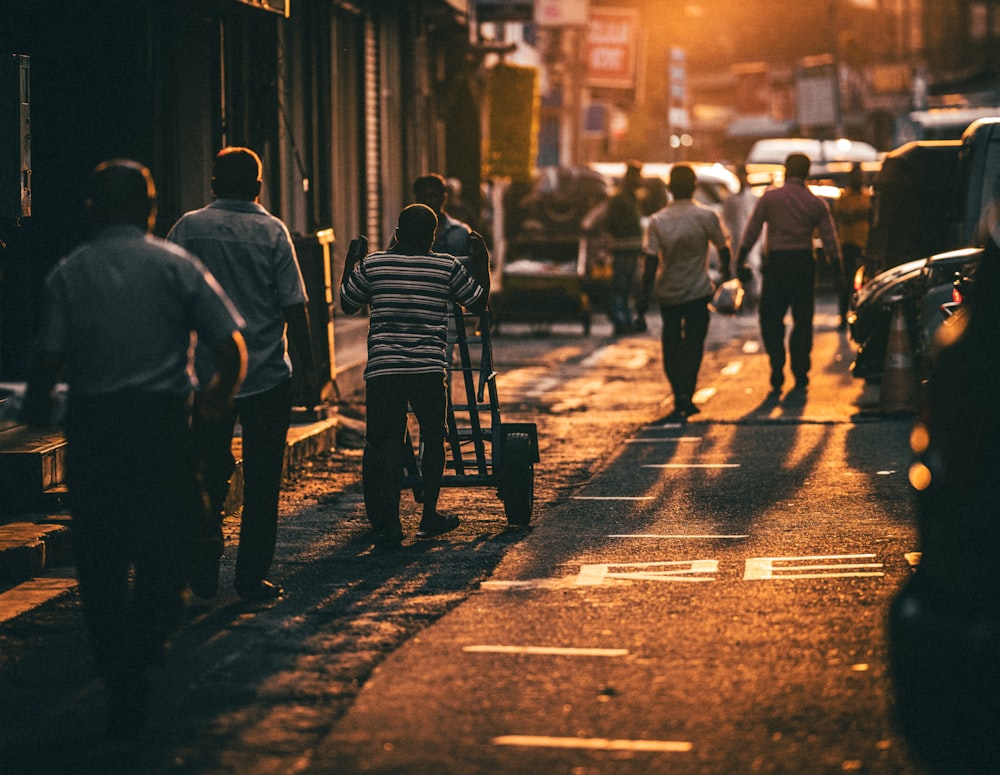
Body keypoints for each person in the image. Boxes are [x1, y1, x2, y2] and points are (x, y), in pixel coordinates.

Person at [20, 159, 247, 739]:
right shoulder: (177, 267)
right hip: (163, 427)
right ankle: (149, 632)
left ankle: (117, 668)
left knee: (99, 556)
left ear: (93, 210)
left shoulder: (69, 273)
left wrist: (38, 409)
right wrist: (217, 401)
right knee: (170, 539)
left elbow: (46, 360)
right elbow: (232, 347)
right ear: (151, 209)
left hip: (96, 431)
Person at [167, 146, 320, 603]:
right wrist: (310, 371)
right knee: (262, 479)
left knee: (204, 471)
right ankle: (251, 577)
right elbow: (295, 306)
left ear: (213, 183)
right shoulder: (272, 232)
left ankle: (203, 566)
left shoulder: (187, 228)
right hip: (268, 375)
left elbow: (169, 297)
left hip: (207, 376)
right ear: (258, 186)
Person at [340, 204, 488, 550]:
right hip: (428, 368)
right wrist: (483, 262)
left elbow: (348, 303)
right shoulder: (446, 266)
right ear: (433, 238)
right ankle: (429, 515)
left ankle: (390, 524)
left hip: (384, 369)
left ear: (396, 232)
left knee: (387, 442)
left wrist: (352, 259)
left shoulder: (375, 265)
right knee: (435, 438)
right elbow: (478, 303)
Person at [735, 153, 841, 396]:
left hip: (777, 264)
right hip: (803, 264)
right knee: (803, 319)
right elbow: (830, 241)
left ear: (785, 171)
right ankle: (800, 370)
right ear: (806, 173)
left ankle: (777, 361)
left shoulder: (770, 198)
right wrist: (838, 273)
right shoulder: (816, 203)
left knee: (770, 316)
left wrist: (739, 260)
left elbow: (751, 231)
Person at [639, 164, 732, 420]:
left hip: (668, 292)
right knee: (693, 343)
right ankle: (686, 393)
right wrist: (727, 275)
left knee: (671, 343)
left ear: (669, 188)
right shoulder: (706, 216)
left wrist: (643, 296)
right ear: (694, 187)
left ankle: (678, 391)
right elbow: (724, 249)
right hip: (698, 292)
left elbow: (650, 262)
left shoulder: (658, 221)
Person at [606, 161, 645, 334]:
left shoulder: (630, 197)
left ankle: (625, 320)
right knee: (620, 287)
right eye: (638, 176)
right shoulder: (620, 198)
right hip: (623, 249)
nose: (640, 180)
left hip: (631, 249)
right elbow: (611, 224)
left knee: (628, 287)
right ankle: (620, 320)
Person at [832, 163, 871, 330]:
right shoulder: (843, 197)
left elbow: (867, 215)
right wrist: (859, 214)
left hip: (864, 245)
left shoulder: (868, 196)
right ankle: (843, 316)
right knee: (846, 283)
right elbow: (843, 216)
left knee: (867, 282)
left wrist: (855, 214)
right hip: (847, 245)